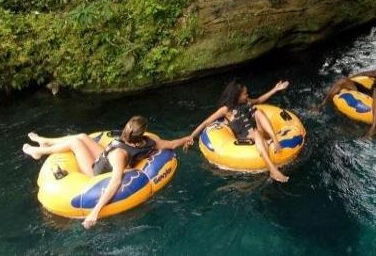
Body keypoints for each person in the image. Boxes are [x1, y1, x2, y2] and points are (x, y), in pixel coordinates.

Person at [23, 116, 192, 228]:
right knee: (82, 136)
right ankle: (44, 141)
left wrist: (94, 212)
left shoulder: (120, 154)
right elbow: (171, 144)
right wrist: (187, 139)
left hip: (96, 171)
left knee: (76, 143)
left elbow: (115, 182)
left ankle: (39, 152)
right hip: (106, 158)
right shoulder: (150, 142)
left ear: (127, 129)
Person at [188, 80, 291, 182]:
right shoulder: (226, 109)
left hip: (258, 133)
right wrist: (190, 137)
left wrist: (275, 89)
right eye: (245, 94)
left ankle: (274, 139)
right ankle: (272, 170)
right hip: (245, 139)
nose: (247, 95)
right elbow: (206, 123)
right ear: (237, 96)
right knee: (256, 132)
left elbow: (259, 100)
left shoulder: (247, 101)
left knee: (259, 112)